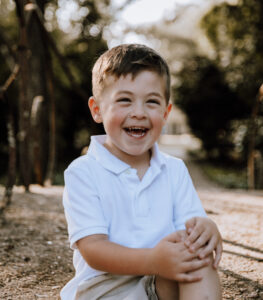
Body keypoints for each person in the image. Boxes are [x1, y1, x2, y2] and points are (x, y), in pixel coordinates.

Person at [61, 44, 222, 300]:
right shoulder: (83, 172)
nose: (138, 112)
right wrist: (153, 261)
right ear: (97, 109)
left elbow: (191, 229)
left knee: (198, 260)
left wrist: (206, 227)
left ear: (165, 112)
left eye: (152, 102)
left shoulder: (174, 169)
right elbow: (93, 249)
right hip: (105, 289)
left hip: (159, 281)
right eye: (124, 100)